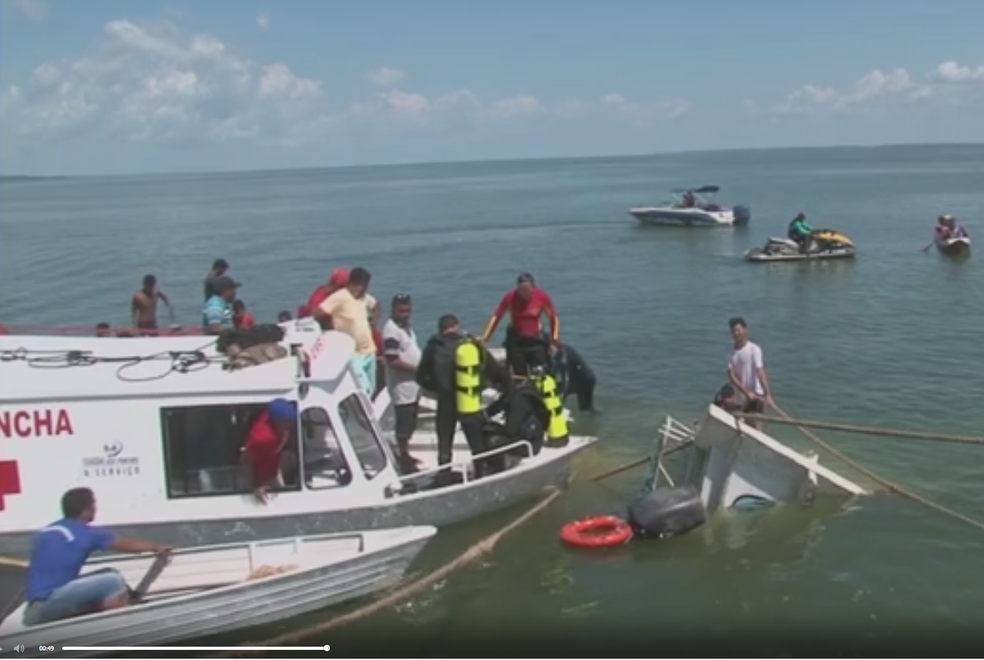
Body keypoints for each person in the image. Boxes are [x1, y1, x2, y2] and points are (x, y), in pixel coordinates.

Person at [23, 487, 170, 626]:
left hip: (32, 610)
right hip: (48, 605)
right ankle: (119, 627)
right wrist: (156, 547)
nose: (96, 509)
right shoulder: (86, 533)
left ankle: (99, 612)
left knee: (109, 573)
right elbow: (126, 544)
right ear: (86, 510)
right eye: (94, 505)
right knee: (113, 581)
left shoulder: (47, 531)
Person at [417, 314, 511, 484]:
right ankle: (480, 476)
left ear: (441, 330)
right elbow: (494, 370)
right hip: (469, 399)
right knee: (477, 445)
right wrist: (506, 388)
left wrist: (439, 389)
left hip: (445, 401)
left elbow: (421, 377)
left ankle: (444, 477)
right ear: (457, 327)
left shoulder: (433, 347)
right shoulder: (472, 346)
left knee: (445, 444)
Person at [481, 273, 560, 377]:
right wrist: (485, 338)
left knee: (540, 376)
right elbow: (496, 317)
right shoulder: (510, 298)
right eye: (520, 290)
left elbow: (553, 318)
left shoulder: (541, 297)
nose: (523, 293)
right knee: (520, 378)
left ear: (533, 287)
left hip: (536, 342)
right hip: (517, 343)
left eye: (526, 290)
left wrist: (554, 341)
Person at [318, 267, 377, 395]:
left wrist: (373, 324)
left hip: (369, 351)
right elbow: (317, 313)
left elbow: (376, 305)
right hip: (353, 354)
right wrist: (329, 334)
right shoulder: (339, 297)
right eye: (366, 286)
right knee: (361, 389)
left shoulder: (363, 298)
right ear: (360, 284)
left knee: (371, 389)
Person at [382, 294, 422, 473]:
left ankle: (406, 453)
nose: (405, 313)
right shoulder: (391, 330)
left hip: (413, 385)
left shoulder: (405, 327)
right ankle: (403, 456)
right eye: (402, 310)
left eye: (408, 310)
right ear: (393, 309)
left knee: (412, 420)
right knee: (404, 423)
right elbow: (392, 360)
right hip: (402, 386)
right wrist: (417, 370)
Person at [241, 398, 298, 503]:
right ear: (277, 421)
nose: (291, 423)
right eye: (288, 420)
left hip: (274, 467)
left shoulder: (271, 417)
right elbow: (246, 461)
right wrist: (253, 488)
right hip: (263, 480)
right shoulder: (262, 438)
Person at [726, 316, 772, 429]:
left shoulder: (754, 349)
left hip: (756, 396)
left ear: (745, 330)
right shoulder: (731, 352)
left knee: (755, 427)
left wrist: (767, 394)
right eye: (733, 331)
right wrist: (746, 392)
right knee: (740, 428)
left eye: (738, 330)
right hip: (741, 397)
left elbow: (760, 371)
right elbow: (731, 376)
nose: (736, 334)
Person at [550, 339, 598, 414]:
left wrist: (560, 404)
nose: (549, 352)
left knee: (586, 410)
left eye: (551, 350)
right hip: (582, 378)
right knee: (585, 409)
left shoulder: (563, 358)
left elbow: (566, 382)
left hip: (586, 381)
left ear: (557, 348)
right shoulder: (560, 351)